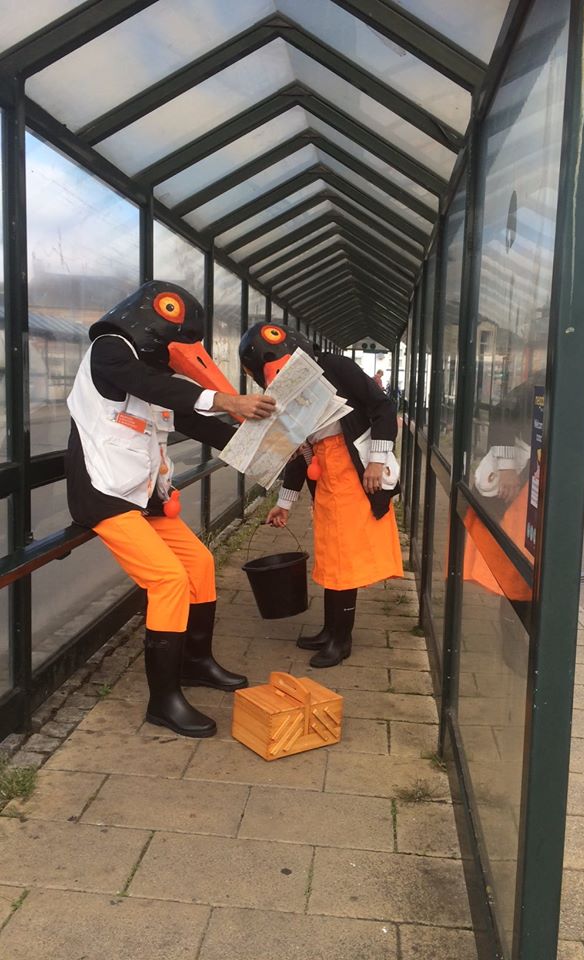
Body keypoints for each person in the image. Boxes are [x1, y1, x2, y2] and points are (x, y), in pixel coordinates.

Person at [66, 280, 276, 738]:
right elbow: (152, 386)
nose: (190, 352)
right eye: (184, 339)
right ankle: (163, 702)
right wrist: (226, 398)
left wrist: (266, 453)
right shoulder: (110, 351)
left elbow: (191, 419)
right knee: (167, 579)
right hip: (103, 494)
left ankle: (195, 664)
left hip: (144, 496)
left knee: (198, 564)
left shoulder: (153, 375)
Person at [239, 324, 403, 667]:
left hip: (355, 474)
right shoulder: (287, 392)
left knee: (344, 559)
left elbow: (383, 407)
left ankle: (341, 640)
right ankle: (330, 631)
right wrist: (284, 504)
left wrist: (377, 460)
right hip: (326, 476)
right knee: (331, 555)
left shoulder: (337, 367)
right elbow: (299, 449)